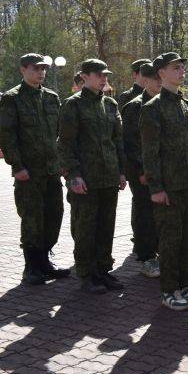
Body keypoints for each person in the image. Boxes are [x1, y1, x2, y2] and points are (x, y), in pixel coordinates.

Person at [140, 52, 188, 311]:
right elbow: (150, 152)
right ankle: (169, 290)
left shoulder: (187, 106)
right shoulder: (152, 108)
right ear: (161, 73)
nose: (181, 72)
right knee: (170, 241)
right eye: (175, 68)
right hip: (168, 187)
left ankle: (186, 285)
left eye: (182, 67)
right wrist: (156, 188)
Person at [57, 59, 127, 294]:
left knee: (106, 226)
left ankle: (103, 270)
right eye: (98, 74)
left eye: (105, 74)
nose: (103, 78)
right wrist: (73, 175)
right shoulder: (73, 105)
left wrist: (121, 171)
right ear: (84, 77)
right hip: (86, 179)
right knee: (85, 227)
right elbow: (65, 144)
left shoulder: (110, 104)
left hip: (108, 177)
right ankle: (87, 273)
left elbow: (117, 141)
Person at [0, 53, 67, 285]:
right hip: (29, 172)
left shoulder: (51, 97)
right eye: (36, 68)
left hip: (51, 170)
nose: (41, 72)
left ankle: (45, 261)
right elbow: (8, 136)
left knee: (54, 215)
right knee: (31, 218)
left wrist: (62, 163)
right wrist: (17, 166)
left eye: (43, 69)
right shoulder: (12, 98)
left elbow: (59, 134)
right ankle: (31, 267)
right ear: (23, 70)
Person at [121, 62, 162, 278]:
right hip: (143, 172)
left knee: (162, 214)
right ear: (144, 80)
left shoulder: (165, 102)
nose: (159, 82)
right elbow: (131, 143)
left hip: (163, 170)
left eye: (161, 77)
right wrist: (141, 171)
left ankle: (160, 251)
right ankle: (146, 257)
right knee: (145, 214)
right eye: (155, 78)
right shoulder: (134, 107)